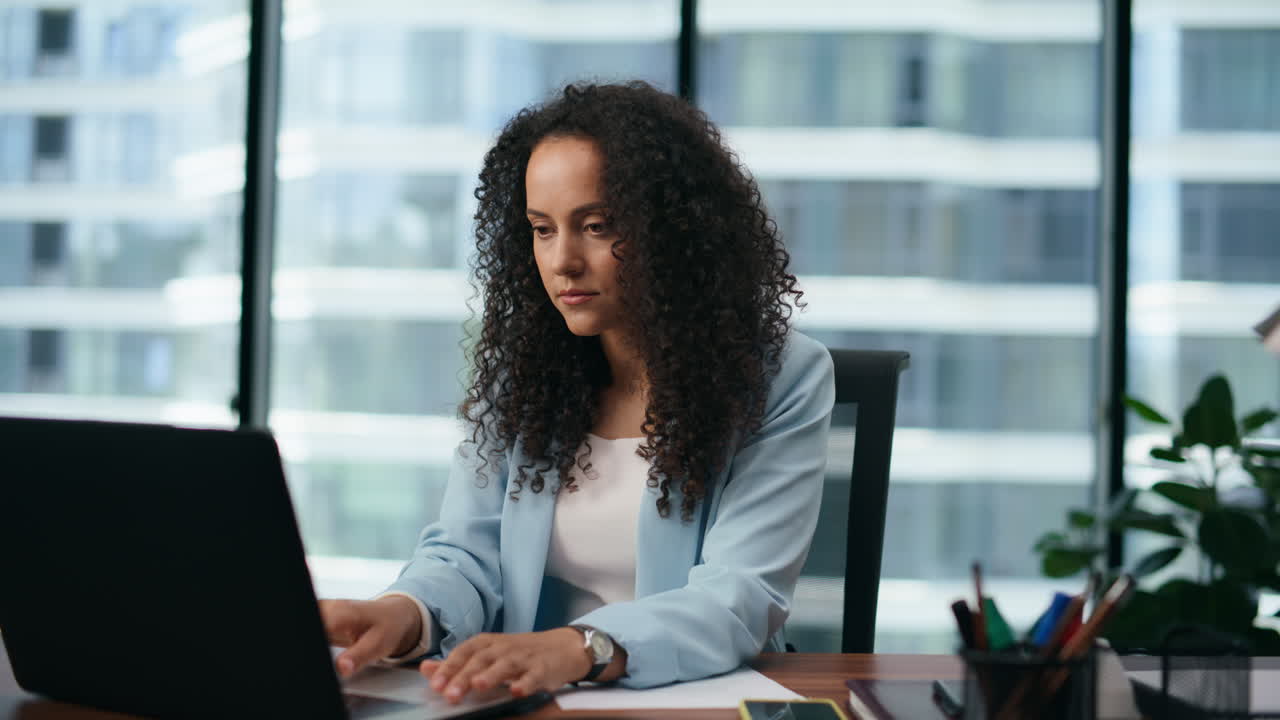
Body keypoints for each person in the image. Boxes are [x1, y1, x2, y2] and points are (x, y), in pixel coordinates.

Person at [320, 81, 835, 700]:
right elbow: (465, 554)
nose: (562, 260)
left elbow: (738, 597)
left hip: (694, 700)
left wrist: (578, 648)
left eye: (595, 226)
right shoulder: (526, 377)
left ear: (671, 230)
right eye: (542, 229)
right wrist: (404, 614)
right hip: (531, 701)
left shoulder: (781, 377)